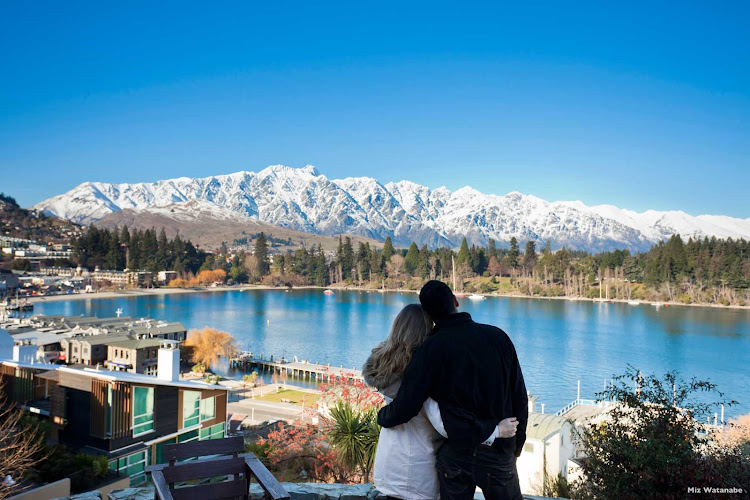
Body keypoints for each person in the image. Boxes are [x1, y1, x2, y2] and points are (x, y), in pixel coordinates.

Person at [377, 280, 528, 500]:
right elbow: (519, 397)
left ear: (428, 314)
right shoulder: (498, 337)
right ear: (455, 300)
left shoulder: (430, 349)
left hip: (456, 454)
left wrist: (383, 416)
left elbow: (407, 404)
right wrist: (515, 445)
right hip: (498, 452)